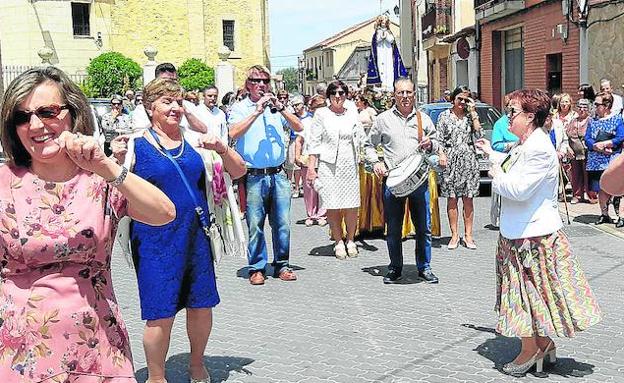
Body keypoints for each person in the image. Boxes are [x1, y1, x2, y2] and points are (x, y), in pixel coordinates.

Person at [0, 66, 176, 382]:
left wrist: (106, 166)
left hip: (98, 344)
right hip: (21, 354)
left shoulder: (101, 180)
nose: (36, 125)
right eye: (22, 117)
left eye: (47, 111)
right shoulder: (3, 182)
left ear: (72, 114)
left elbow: (164, 213)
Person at [113, 78, 246, 383]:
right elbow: (117, 194)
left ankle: (196, 364)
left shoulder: (197, 142)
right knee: (160, 312)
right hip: (154, 241)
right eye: (166, 102)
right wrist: (116, 162)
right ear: (149, 108)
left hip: (195, 235)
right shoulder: (135, 146)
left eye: (178, 102)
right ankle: (157, 376)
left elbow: (239, 171)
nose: (175, 108)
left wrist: (221, 148)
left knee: (200, 305)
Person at [475, 89, 602, 378]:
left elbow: (518, 190)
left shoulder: (539, 148)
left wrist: (495, 173)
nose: (508, 116)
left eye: (513, 112)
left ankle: (531, 350)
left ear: (531, 116)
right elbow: (514, 163)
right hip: (519, 233)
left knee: (526, 297)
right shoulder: (526, 143)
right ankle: (543, 344)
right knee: (526, 295)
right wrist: (491, 152)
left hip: (532, 237)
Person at [228, 65, 303, 285]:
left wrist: (280, 108)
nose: (261, 85)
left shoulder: (276, 109)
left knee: (282, 224)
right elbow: (232, 133)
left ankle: (282, 264)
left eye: (265, 81)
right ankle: (257, 267)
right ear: (248, 84)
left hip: (278, 174)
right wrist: (256, 112)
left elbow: (299, 127)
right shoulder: (241, 108)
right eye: (256, 81)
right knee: (255, 224)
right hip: (254, 175)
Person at [364, 77, 440, 284]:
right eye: (401, 93)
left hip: (419, 181)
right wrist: (375, 163)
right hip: (393, 181)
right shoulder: (383, 119)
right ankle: (395, 267)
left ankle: (424, 267)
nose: (405, 96)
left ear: (414, 94)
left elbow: (437, 143)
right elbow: (368, 145)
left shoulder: (423, 118)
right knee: (394, 228)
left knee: (423, 227)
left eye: (408, 92)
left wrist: (430, 144)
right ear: (394, 95)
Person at [306, 80, 365, 259]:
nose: (337, 96)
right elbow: (314, 142)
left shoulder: (352, 112)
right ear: (328, 96)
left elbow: (361, 136)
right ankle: (338, 241)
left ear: (346, 95)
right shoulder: (321, 114)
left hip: (350, 163)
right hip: (329, 165)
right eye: (334, 93)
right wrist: (311, 168)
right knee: (332, 204)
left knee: (351, 204)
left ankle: (351, 240)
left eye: (341, 93)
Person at [437, 85, 482, 250]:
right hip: (451, 160)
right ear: (453, 99)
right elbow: (439, 139)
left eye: (466, 99)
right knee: (452, 198)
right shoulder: (444, 116)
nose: (462, 102)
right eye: (460, 99)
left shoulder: (470, 117)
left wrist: (474, 112)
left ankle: (468, 235)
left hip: (469, 160)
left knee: (468, 198)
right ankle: (454, 235)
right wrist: (441, 154)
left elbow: (478, 135)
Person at [131, 63, 208, 135]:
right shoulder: (143, 109)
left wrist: (185, 111)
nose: (170, 85)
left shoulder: (189, 106)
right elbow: (139, 134)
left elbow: (203, 130)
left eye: (173, 81)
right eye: (165, 81)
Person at [585, 91, 624, 226]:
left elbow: (620, 137)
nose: (595, 107)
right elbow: (587, 138)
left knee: (618, 188)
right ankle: (604, 214)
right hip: (596, 161)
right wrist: (595, 146)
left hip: (612, 160)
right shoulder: (592, 121)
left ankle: (621, 216)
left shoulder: (617, 119)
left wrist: (607, 143)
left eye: (597, 104)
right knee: (601, 187)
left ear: (607, 105)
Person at [294, 95, 327, 227]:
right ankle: (311, 214)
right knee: (309, 189)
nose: (319, 110)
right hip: (308, 158)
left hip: (324, 159)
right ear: (311, 109)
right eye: (316, 108)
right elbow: (299, 140)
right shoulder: (306, 122)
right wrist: (297, 156)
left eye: (321, 107)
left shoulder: (328, 121)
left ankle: (322, 214)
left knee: (323, 188)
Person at [490, 93, 518, 227]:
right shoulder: (500, 124)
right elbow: (495, 145)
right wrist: (513, 145)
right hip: (505, 161)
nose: (511, 109)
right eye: (509, 106)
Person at [366, 15, 408, 91]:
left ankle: (389, 86)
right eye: (382, 21)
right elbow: (376, 41)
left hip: (388, 52)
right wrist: (381, 37)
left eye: (385, 21)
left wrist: (386, 36)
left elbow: (391, 40)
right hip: (380, 52)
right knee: (380, 66)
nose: (383, 23)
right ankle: (382, 84)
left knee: (389, 68)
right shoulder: (377, 32)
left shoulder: (389, 32)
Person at [566, 99, 595, 204]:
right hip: (575, 153)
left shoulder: (591, 121)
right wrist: (568, 148)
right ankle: (577, 195)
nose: (582, 109)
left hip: (588, 153)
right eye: (580, 107)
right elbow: (567, 136)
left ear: (589, 109)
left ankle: (591, 196)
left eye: (585, 107)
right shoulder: (573, 121)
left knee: (588, 175)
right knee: (576, 175)